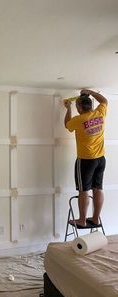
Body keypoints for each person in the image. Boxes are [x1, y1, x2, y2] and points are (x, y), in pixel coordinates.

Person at [64, 89, 107, 227]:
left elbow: (67, 125)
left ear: (80, 107)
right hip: (101, 159)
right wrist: (90, 91)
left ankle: (82, 220)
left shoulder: (79, 119)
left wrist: (68, 108)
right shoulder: (100, 113)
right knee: (98, 188)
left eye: (77, 106)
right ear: (91, 105)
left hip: (86, 160)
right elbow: (104, 100)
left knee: (83, 190)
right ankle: (95, 218)